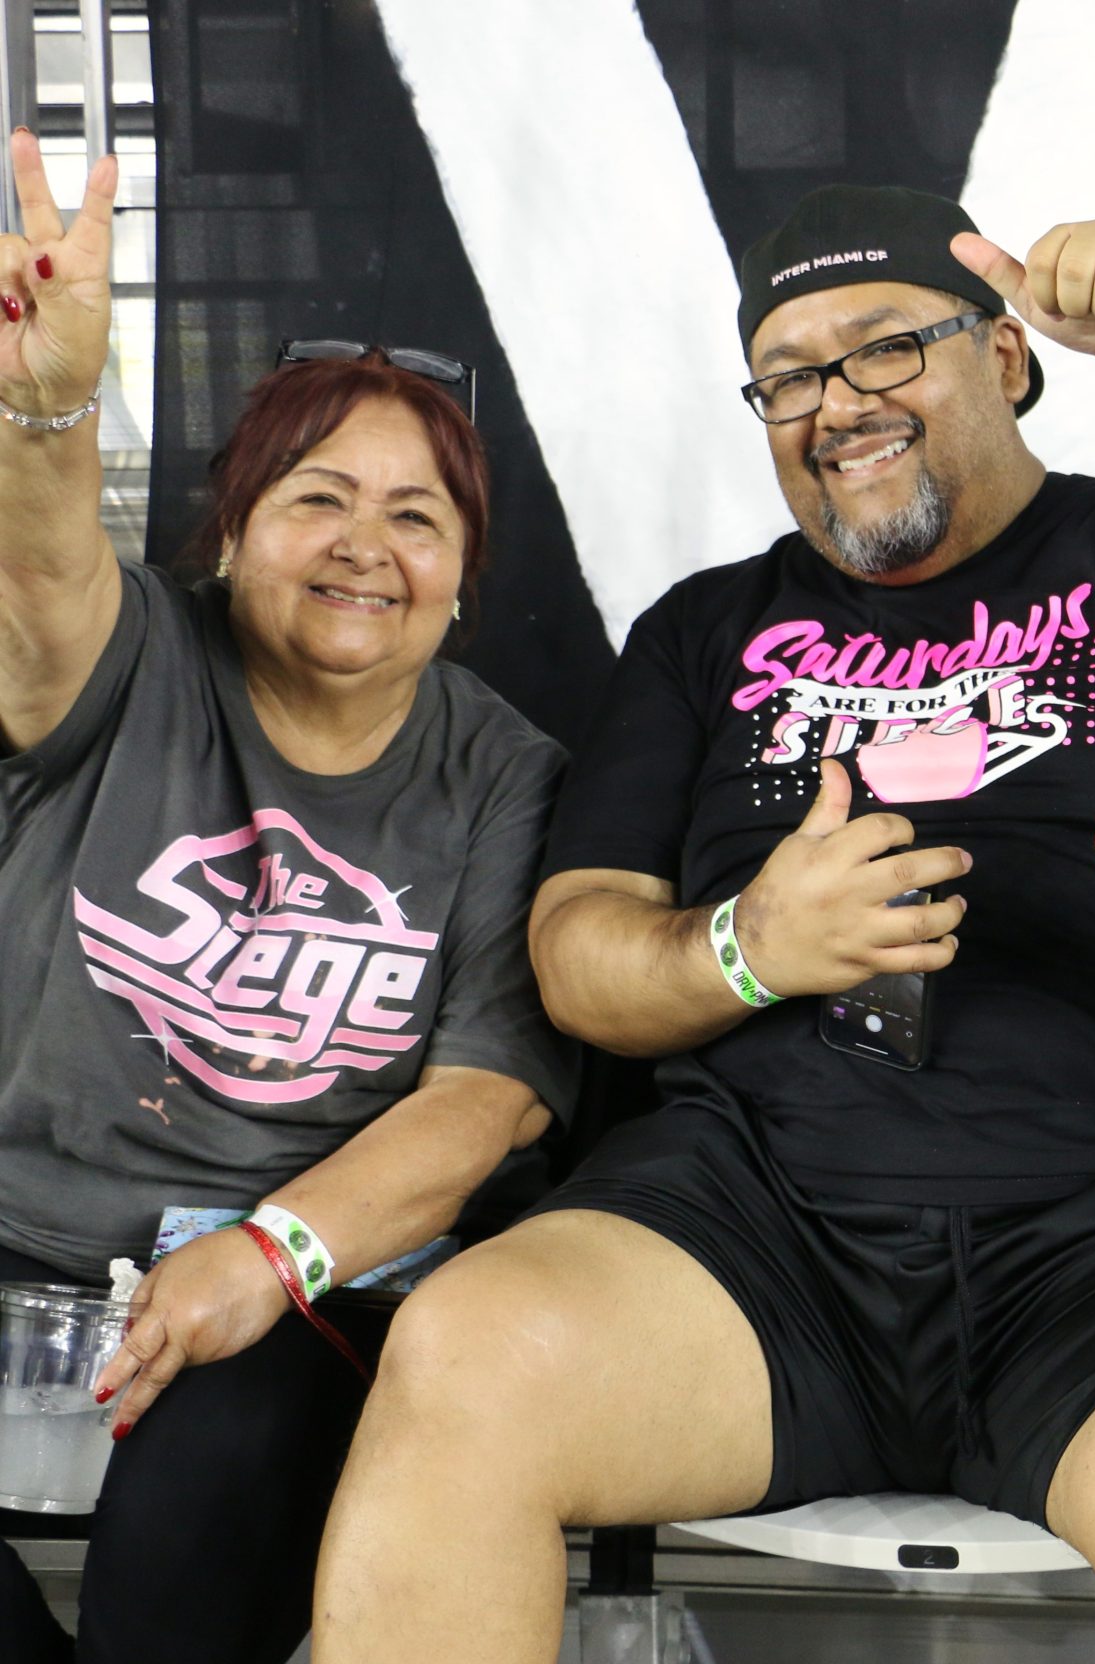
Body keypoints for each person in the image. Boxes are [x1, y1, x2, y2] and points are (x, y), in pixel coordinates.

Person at [314, 186, 1095, 1664]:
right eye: (789, 376)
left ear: (1005, 358)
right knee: (469, 1351)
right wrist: (749, 948)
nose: (837, 403)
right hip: (760, 1231)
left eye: (886, 348)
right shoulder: (704, 628)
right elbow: (578, 953)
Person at [0, 130, 574, 1663]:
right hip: (24, 1249)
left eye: (417, 518)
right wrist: (48, 406)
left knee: (202, 1516)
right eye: (321, 497)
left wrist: (269, 1257)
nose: (365, 549)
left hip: (306, 1283)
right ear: (238, 523)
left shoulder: (506, 776)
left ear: (463, 572)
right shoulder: (130, 659)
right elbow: (42, 580)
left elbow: (486, 1102)